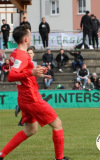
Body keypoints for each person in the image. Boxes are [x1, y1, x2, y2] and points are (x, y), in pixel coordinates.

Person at [0, 25, 68, 160]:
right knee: (57, 124)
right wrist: (31, 72)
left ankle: (1, 155)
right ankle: (59, 158)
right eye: (30, 36)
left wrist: (36, 73)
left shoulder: (14, 54)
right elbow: (11, 76)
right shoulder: (22, 55)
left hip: (23, 98)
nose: (31, 38)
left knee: (31, 130)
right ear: (26, 39)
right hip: (32, 98)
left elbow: (20, 72)